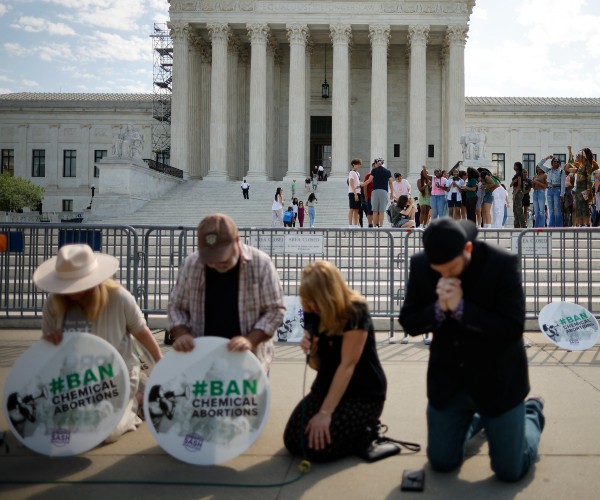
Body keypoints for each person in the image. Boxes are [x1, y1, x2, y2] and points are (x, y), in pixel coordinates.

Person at [399, 218, 545, 482]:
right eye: (438, 270)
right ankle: (477, 420)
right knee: (442, 462)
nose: (445, 276)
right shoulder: (421, 265)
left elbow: (512, 328)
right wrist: (439, 309)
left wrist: (461, 308)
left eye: (450, 268)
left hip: (497, 381)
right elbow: (408, 321)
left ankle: (531, 412)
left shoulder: (501, 264)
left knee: (509, 470)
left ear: (467, 250)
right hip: (450, 380)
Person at [34, 244, 163, 443]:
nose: (71, 292)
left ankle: (137, 399)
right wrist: (49, 342)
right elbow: (47, 344)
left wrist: (161, 365)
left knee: (104, 431)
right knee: (56, 424)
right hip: (75, 379)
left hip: (115, 375)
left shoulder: (119, 298)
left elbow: (142, 333)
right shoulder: (54, 303)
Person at [283, 260, 387, 462]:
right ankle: (351, 430)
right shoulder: (312, 311)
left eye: (315, 300)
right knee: (293, 440)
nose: (311, 306)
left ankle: (367, 431)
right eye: (308, 301)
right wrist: (311, 352)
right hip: (327, 384)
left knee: (319, 449)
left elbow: (348, 365)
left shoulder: (355, 310)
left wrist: (325, 412)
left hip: (362, 391)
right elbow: (317, 366)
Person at [168, 214, 286, 374]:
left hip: (249, 363)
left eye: (222, 258)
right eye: (210, 258)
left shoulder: (261, 264)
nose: (216, 263)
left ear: (237, 241)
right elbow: (176, 306)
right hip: (202, 361)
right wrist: (182, 334)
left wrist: (250, 340)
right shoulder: (191, 264)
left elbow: (275, 309)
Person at [566, 146, 596, 227]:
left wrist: (588, 190)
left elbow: (589, 178)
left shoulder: (587, 164)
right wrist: (570, 151)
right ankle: (580, 223)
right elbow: (571, 162)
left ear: (583, 156)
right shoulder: (581, 165)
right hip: (578, 187)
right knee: (579, 206)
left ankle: (586, 223)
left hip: (584, 187)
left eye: (578, 156)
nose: (577, 157)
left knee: (584, 206)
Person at [537, 154, 565, 227]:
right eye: (554, 161)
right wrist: (547, 158)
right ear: (552, 163)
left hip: (557, 189)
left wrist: (562, 194)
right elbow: (540, 164)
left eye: (557, 162)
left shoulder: (562, 171)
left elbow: (563, 183)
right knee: (551, 209)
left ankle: (558, 226)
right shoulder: (548, 170)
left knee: (557, 209)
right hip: (549, 190)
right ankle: (551, 225)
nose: (556, 163)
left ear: (559, 163)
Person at [370, 157, 393, 227]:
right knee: (382, 211)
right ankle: (381, 226)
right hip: (384, 191)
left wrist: (362, 184)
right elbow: (391, 183)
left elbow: (369, 180)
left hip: (375, 191)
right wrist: (392, 193)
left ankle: (374, 226)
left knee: (375, 211)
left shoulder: (373, 171)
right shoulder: (388, 171)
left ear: (376, 163)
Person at [348, 158, 362, 228]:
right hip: (353, 192)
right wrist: (355, 193)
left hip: (358, 192)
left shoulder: (358, 173)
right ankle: (350, 225)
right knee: (352, 209)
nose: (359, 165)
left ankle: (356, 224)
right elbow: (351, 183)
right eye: (357, 164)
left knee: (356, 209)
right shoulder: (352, 172)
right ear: (354, 164)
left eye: (359, 164)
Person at [511, 162, 526, 228]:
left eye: (515, 165)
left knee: (519, 210)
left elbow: (519, 185)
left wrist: (515, 194)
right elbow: (511, 185)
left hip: (518, 192)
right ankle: (516, 225)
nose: (514, 167)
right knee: (515, 210)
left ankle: (523, 225)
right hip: (515, 191)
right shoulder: (516, 175)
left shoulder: (519, 174)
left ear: (518, 167)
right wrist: (514, 181)